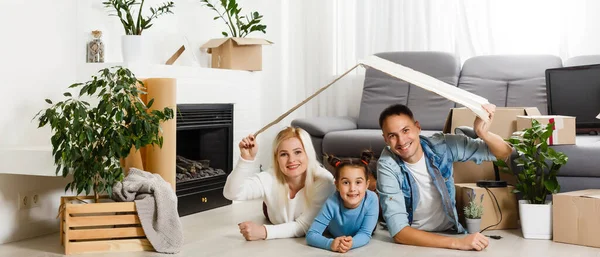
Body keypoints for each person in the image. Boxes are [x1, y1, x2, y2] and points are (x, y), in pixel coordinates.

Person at [376, 103, 512, 251]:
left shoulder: (441, 146)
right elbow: (400, 233)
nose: (401, 141)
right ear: (385, 139)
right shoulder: (387, 165)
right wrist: (458, 244)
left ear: (417, 127)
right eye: (392, 136)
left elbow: (504, 153)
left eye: (405, 130)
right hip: (413, 240)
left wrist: (482, 132)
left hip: (449, 232)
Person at [223, 127, 335, 240]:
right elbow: (231, 193)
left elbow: (304, 226)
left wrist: (263, 231)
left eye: (298, 152)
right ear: (276, 158)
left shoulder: (325, 181)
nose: (291, 160)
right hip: (275, 212)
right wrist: (246, 159)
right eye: (284, 154)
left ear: (308, 153)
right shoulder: (270, 177)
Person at [306, 151, 379, 253]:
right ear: (337, 185)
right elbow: (311, 234)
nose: (352, 188)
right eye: (345, 182)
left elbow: (365, 233)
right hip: (336, 233)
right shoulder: (332, 202)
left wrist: (352, 243)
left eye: (358, 182)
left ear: (367, 185)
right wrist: (330, 244)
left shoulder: (372, 199)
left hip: (362, 227)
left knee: (371, 227)